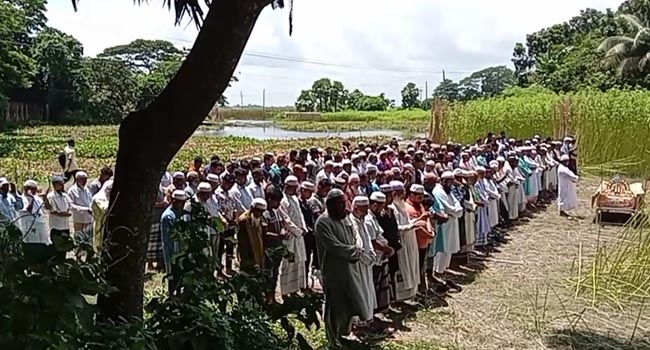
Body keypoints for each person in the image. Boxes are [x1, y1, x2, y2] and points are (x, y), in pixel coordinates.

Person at [314, 189, 369, 348]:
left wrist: (357, 248)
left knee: (348, 305)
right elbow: (333, 246)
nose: (344, 206)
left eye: (344, 202)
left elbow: (355, 236)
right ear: (331, 205)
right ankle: (333, 340)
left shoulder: (345, 219)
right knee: (335, 307)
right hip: (334, 272)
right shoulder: (323, 222)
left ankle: (344, 334)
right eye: (340, 203)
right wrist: (355, 252)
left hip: (350, 270)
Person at [432, 171, 464, 290]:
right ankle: (438, 270)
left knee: (449, 246)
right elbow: (446, 207)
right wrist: (456, 211)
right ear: (443, 181)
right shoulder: (438, 191)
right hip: (444, 223)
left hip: (452, 220)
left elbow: (456, 203)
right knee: (443, 246)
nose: (451, 184)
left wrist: (457, 210)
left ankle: (445, 269)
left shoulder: (448, 191)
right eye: (449, 181)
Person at [365, 192, 394, 319]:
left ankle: (378, 310)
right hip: (374, 258)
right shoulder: (367, 220)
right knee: (374, 285)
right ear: (375, 205)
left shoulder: (374, 218)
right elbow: (372, 241)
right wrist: (386, 249)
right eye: (381, 207)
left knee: (380, 285)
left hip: (381, 258)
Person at [390, 181, 419, 303]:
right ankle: (401, 297)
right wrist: (411, 226)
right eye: (400, 193)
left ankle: (411, 295)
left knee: (411, 265)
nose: (403, 196)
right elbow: (397, 227)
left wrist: (417, 221)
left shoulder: (402, 206)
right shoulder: (392, 208)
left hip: (410, 240)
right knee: (403, 268)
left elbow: (406, 222)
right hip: (402, 242)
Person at [349, 195, 376, 324]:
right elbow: (357, 244)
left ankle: (366, 317)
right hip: (358, 262)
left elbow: (368, 240)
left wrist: (371, 253)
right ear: (355, 208)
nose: (365, 212)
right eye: (363, 209)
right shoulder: (352, 222)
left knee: (366, 289)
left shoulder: (362, 221)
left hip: (367, 261)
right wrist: (366, 257)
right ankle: (357, 319)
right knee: (359, 290)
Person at [279, 176, 308, 295]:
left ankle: (295, 289)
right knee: (289, 263)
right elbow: (286, 220)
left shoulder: (295, 199)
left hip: (299, 236)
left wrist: (304, 228)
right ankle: (286, 291)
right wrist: (297, 231)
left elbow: (300, 215)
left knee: (299, 262)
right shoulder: (283, 201)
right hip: (290, 236)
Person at [161, 190, 188, 292]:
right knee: (173, 275)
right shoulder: (168, 216)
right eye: (179, 202)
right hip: (172, 250)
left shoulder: (182, 212)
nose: (182, 204)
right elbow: (170, 237)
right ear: (173, 200)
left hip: (182, 249)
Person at [298, 181, 324, 288]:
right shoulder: (299, 203)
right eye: (308, 192)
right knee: (303, 260)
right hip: (303, 235)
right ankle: (302, 283)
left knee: (308, 259)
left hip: (310, 235)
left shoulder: (307, 203)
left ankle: (305, 282)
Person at [237, 198, 267, 273]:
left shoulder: (261, 219)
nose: (259, 213)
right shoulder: (244, 220)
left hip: (259, 253)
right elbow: (242, 241)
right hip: (248, 255)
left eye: (262, 211)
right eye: (258, 211)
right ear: (252, 208)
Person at [45, 176, 72, 258]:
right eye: (60, 184)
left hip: (65, 227)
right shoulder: (51, 196)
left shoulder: (65, 196)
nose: (62, 186)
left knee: (64, 249)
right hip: (56, 227)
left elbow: (69, 207)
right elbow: (54, 212)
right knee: (56, 249)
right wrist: (64, 214)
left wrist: (66, 213)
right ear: (55, 185)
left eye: (62, 184)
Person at [16, 180, 48, 244]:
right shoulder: (21, 199)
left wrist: (45, 197)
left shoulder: (37, 198)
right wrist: (32, 198)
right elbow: (28, 210)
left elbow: (47, 207)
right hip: (29, 228)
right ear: (26, 189)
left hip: (40, 227)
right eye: (33, 189)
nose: (35, 191)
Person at [68, 171, 94, 245]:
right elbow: (71, 205)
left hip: (89, 220)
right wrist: (85, 209)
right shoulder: (72, 190)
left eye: (86, 179)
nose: (85, 181)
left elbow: (90, 201)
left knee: (89, 242)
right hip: (79, 220)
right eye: (83, 179)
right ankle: (78, 256)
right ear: (77, 179)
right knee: (79, 242)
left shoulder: (87, 189)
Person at [91, 179, 113, 252]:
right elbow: (104, 209)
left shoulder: (108, 198)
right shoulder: (99, 198)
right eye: (109, 189)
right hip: (99, 225)